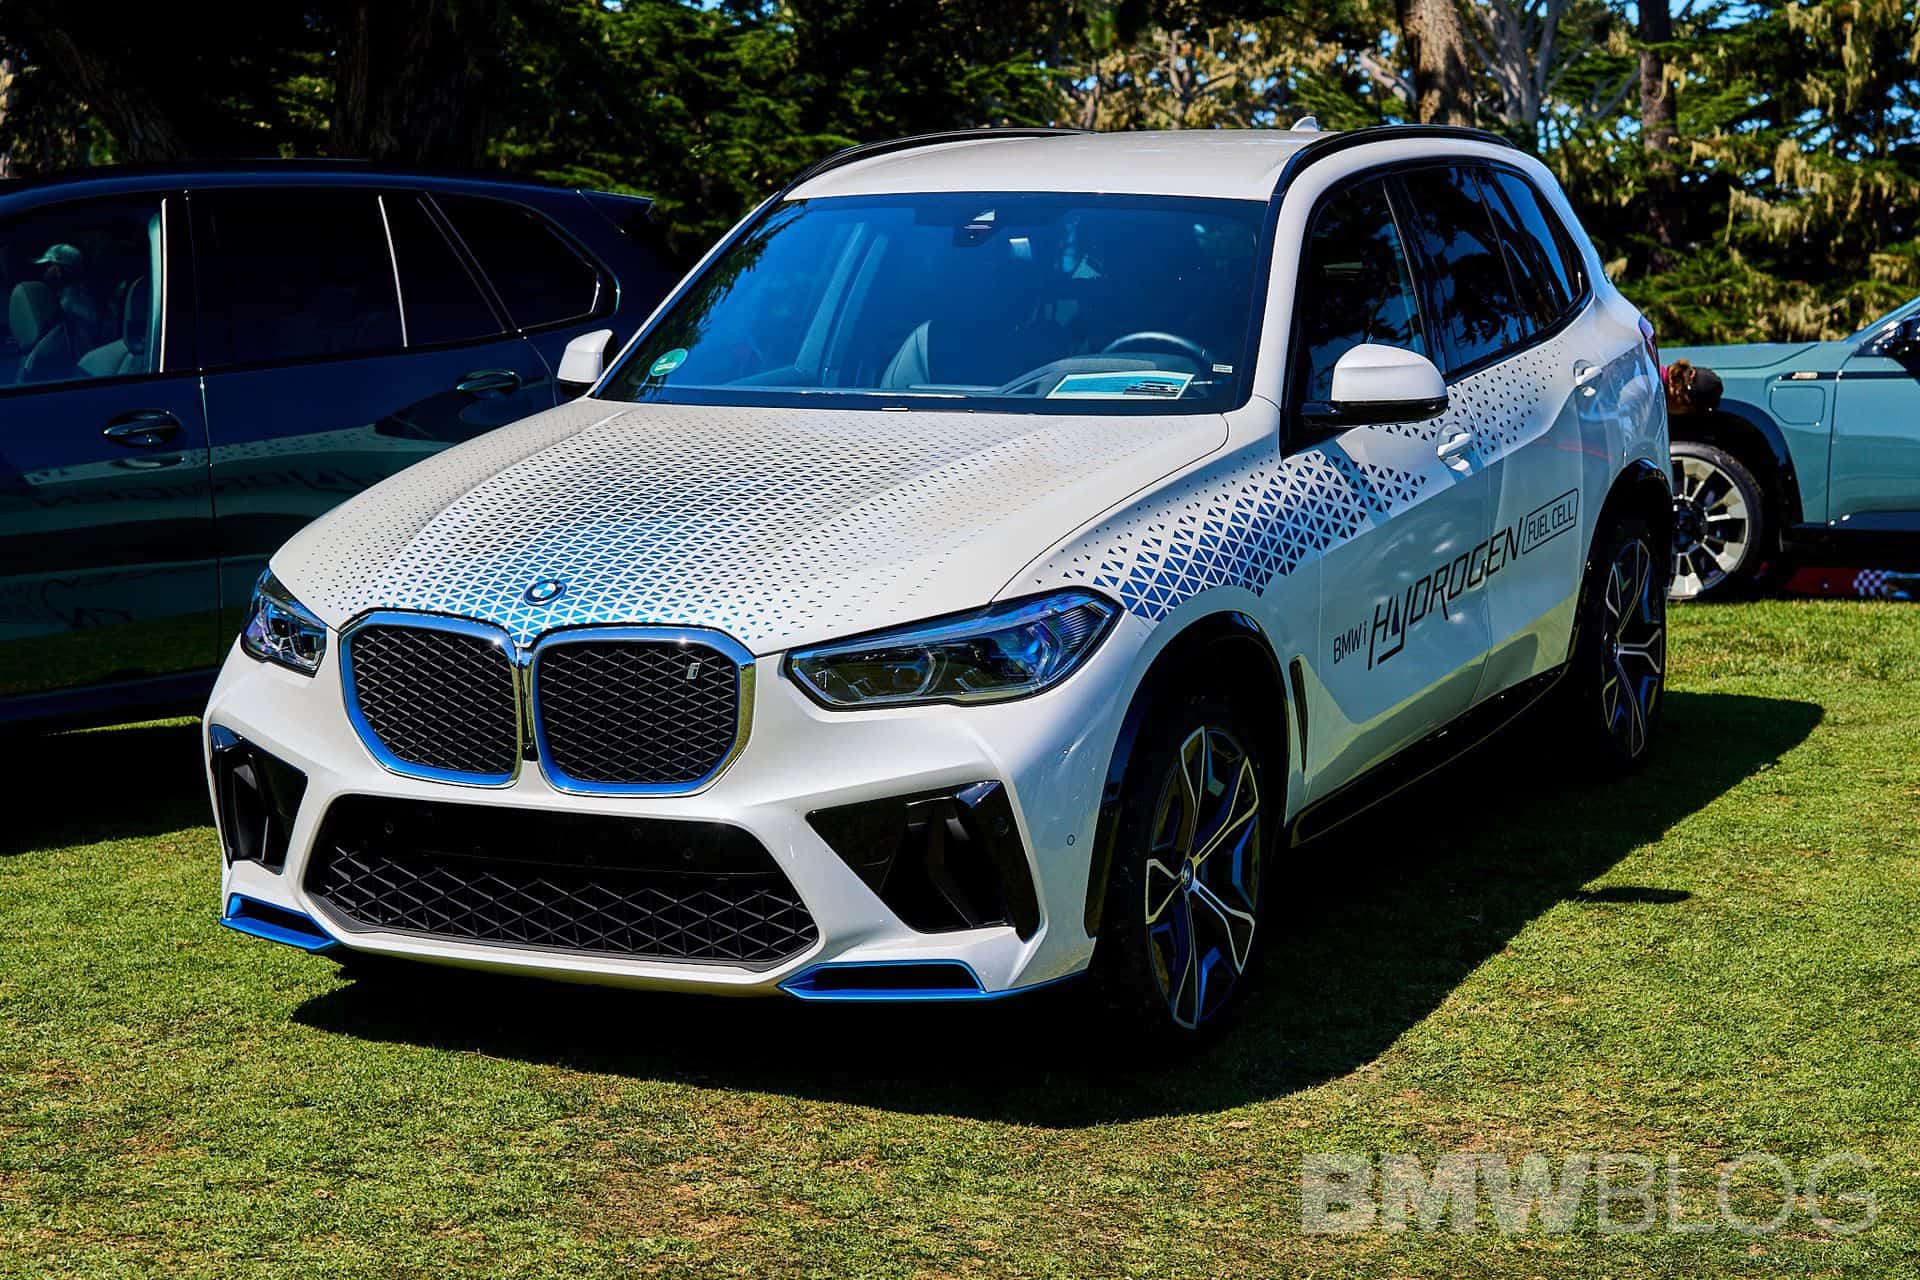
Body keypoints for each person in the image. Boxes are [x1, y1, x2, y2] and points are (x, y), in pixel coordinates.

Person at [34, 243, 101, 353]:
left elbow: (79, 344)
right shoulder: (73, 294)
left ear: (60, 270)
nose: (45, 271)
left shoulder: (72, 301)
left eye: (49, 265)